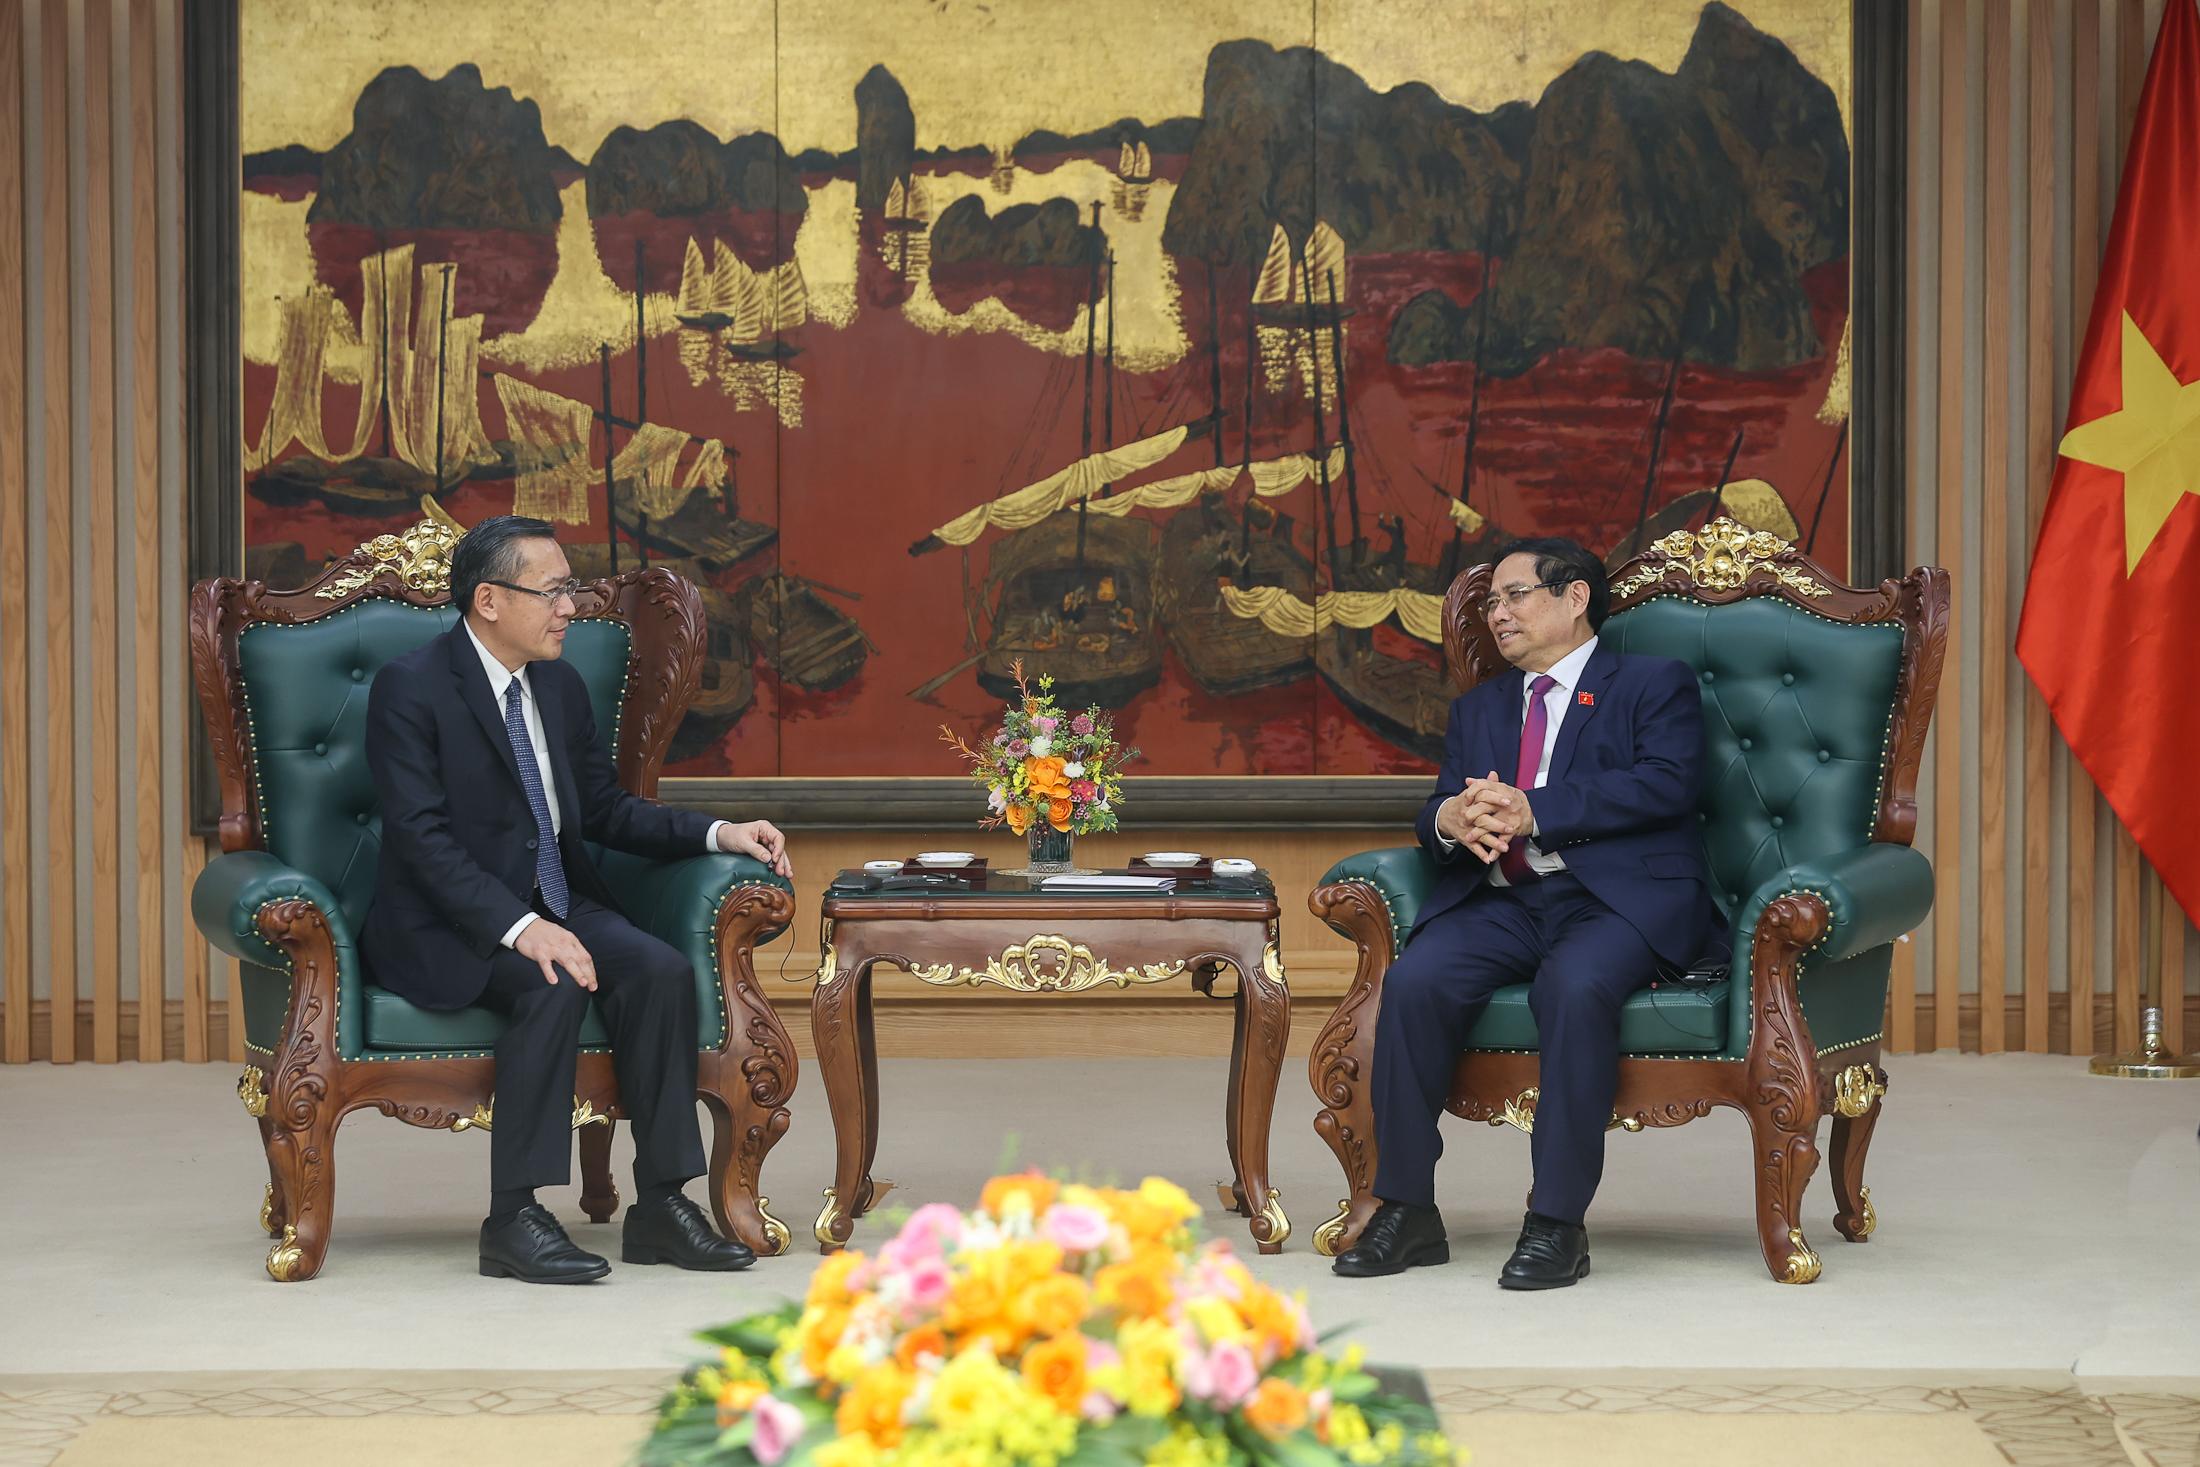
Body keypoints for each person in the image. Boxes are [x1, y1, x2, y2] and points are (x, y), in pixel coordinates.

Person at [362, 515, 795, 1285]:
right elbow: (421, 839)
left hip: (555, 899)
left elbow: (603, 810)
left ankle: (661, 1203)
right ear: (489, 599)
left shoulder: (556, 685)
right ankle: (514, 1218)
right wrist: (520, 927)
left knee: (660, 970)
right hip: (445, 921)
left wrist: (720, 832)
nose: (571, 607)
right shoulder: (412, 687)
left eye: (573, 589)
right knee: (552, 978)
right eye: (553, 591)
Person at [1332, 537, 1724, 1289]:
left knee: (1573, 985)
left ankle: (1556, 1222)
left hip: (1613, 901)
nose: (1497, 614)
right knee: (1415, 982)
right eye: (1490, 602)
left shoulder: (1649, 684)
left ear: (1575, 598)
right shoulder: (1480, 706)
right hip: (1505, 899)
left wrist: (1534, 809)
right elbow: (1442, 804)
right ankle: (1406, 1207)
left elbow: (1666, 783)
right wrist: (1448, 819)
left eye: (1514, 595)